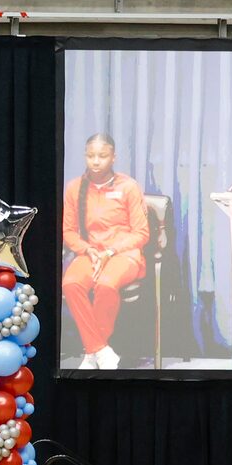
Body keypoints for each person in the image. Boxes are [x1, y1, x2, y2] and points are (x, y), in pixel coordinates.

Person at [62, 131, 149, 370]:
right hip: (90, 253)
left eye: (102, 155)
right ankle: (100, 350)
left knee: (106, 285)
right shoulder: (74, 188)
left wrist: (111, 251)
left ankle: (91, 353)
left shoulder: (128, 187)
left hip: (123, 254)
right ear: (85, 157)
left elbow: (141, 233)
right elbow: (68, 232)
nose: (96, 161)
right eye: (91, 156)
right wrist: (87, 249)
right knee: (71, 284)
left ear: (114, 157)